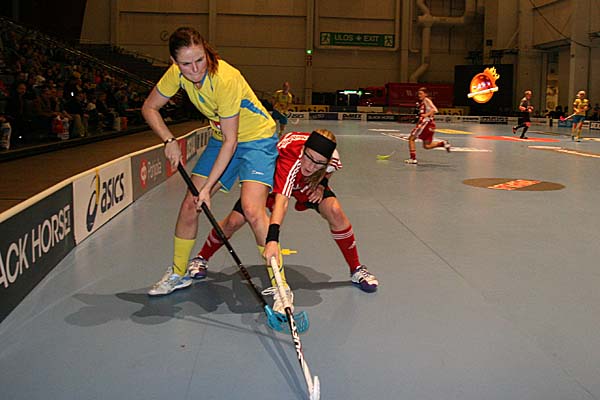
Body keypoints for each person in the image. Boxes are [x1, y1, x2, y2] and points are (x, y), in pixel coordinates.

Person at [141, 26, 278, 296]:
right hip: (221, 138)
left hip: (256, 139)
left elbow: (231, 141)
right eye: (186, 64)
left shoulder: (225, 79)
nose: (195, 69)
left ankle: (280, 285)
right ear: (174, 62)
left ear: (206, 51)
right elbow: (150, 107)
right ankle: (179, 273)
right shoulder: (176, 74)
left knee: (252, 210)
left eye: (199, 60)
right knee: (190, 205)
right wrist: (169, 140)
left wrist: (206, 188)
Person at [404, 87, 450, 164]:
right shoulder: (423, 102)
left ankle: (413, 158)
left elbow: (435, 109)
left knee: (411, 139)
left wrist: (426, 115)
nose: (419, 95)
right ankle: (443, 143)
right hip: (430, 124)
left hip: (425, 123)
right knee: (427, 146)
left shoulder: (426, 100)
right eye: (418, 94)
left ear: (425, 94)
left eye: (421, 93)